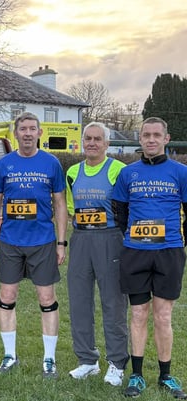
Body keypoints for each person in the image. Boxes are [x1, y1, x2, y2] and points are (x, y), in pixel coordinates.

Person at [112, 117, 187, 399]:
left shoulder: (180, 172)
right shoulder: (128, 174)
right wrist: (135, 237)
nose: (151, 140)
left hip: (169, 253)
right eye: (146, 135)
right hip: (136, 253)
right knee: (139, 313)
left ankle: (166, 376)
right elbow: (120, 212)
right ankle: (137, 375)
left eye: (157, 135)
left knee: (163, 315)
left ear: (167, 139)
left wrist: (179, 242)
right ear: (139, 139)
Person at [0, 112, 67, 378]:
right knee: (7, 297)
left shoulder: (51, 163)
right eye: (22, 129)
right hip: (11, 242)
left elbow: (59, 204)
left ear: (39, 133)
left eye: (32, 129)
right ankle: (9, 355)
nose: (27, 133)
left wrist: (61, 242)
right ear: (15, 133)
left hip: (43, 241)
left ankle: (49, 359)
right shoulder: (4, 164)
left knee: (46, 298)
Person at [66, 122, 129, 386]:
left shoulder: (119, 170)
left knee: (113, 302)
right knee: (79, 301)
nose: (92, 143)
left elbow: (127, 207)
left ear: (107, 144)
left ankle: (116, 363)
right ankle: (87, 360)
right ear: (82, 141)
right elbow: (71, 209)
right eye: (88, 138)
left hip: (110, 238)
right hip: (81, 239)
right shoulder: (72, 172)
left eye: (97, 139)